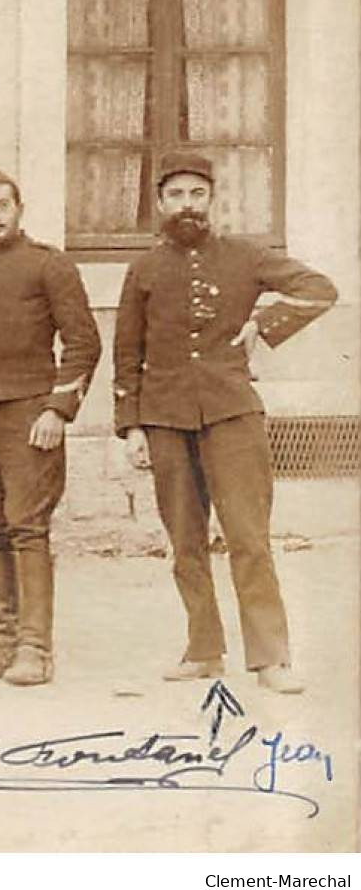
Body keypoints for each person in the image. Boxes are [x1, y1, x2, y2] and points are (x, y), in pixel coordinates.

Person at [114, 152, 337, 695]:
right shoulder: (143, 269)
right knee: (185, 542)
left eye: (197, 194)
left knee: (248, 538)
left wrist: (265, 321)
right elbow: (126, 352)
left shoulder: (245, 256)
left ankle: (270, 658)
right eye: (176, 196)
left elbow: (320, 289)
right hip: (165, 418)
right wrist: (132, 427)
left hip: (233, 414)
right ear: (160, 203)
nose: (186, 206)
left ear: (212, 200)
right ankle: (203, 649)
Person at [0, 165, 100, 686]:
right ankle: (0, 643)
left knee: (27, 527)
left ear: (19, 209)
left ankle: (35, 648)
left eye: (0, 206)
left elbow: (83, 344)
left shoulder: (48, 265)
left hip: (28, 414)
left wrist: (57, 409)